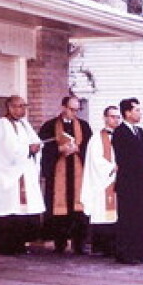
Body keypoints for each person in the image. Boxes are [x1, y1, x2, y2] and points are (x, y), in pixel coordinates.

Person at [0, 96, 45, 255]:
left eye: (24, 106)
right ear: (10, 107)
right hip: (9, 175)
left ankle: (19, 244)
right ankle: (6, 246)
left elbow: (36, 141)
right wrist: (28, 150)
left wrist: (37, 147)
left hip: (23, 172)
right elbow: (9, 149)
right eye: (18, 106)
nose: (22, 110)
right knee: (9, 209)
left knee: (21, 210)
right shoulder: (2, 124)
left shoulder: (25, 124)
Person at [39, 95, 92, 254]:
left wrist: (78, 149)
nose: (74, 113)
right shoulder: (49, 126)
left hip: (78, 173)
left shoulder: (84, 126)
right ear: (63, 107)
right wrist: (59, 150)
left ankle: (79, 244)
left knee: (79, 209)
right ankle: (59, 243)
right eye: (71, 109)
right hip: (58, 174)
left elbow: (90, 149)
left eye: (77, 110)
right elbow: (44, 148)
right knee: (58, 210)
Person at [112, 98, 143, 265]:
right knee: (127, 218)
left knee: (140, 218)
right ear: (127, 112)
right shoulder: (119, 132)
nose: (140, 113)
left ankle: (139, 252)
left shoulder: (140, 131)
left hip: (141, 182)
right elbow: (125, 159)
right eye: (137, 110)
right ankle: (124, 253)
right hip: (128, 183)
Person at [80, 106, 121, 257]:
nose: (115, 120)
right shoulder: (97, 138)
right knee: (103, 213)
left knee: (116, 215)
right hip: (103, 180)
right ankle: (102, 247)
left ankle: (115, 247)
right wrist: (112, 167)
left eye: (118, 117)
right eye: (112, 117)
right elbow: (95, 160)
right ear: (105, 118)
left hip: (119, 181)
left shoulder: (122, 135)